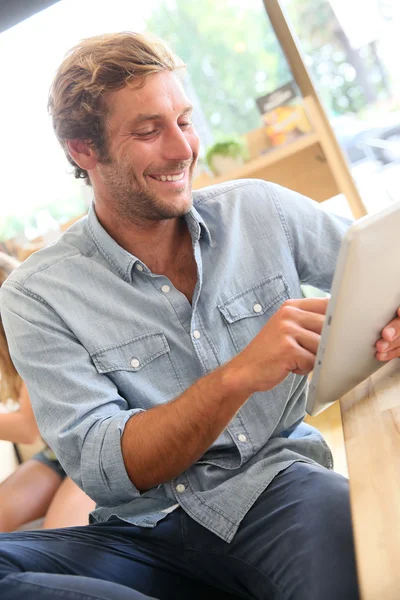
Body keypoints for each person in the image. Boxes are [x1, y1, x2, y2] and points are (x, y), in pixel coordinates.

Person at [0, 31, 399, 600]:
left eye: (183, 120)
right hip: (139, 535)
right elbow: (108, 469)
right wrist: (238, 376)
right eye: (148, 130)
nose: (182, 147)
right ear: (83, 150)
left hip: (279, 489)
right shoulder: (36, 295)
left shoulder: (260, 210)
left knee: (353, 550)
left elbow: (388, 277)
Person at [0, 252, 96, 532]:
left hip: (91, 452)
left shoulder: (32, 328)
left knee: (61, 539)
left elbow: (28, 427)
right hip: (55, 454)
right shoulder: (6, 351)